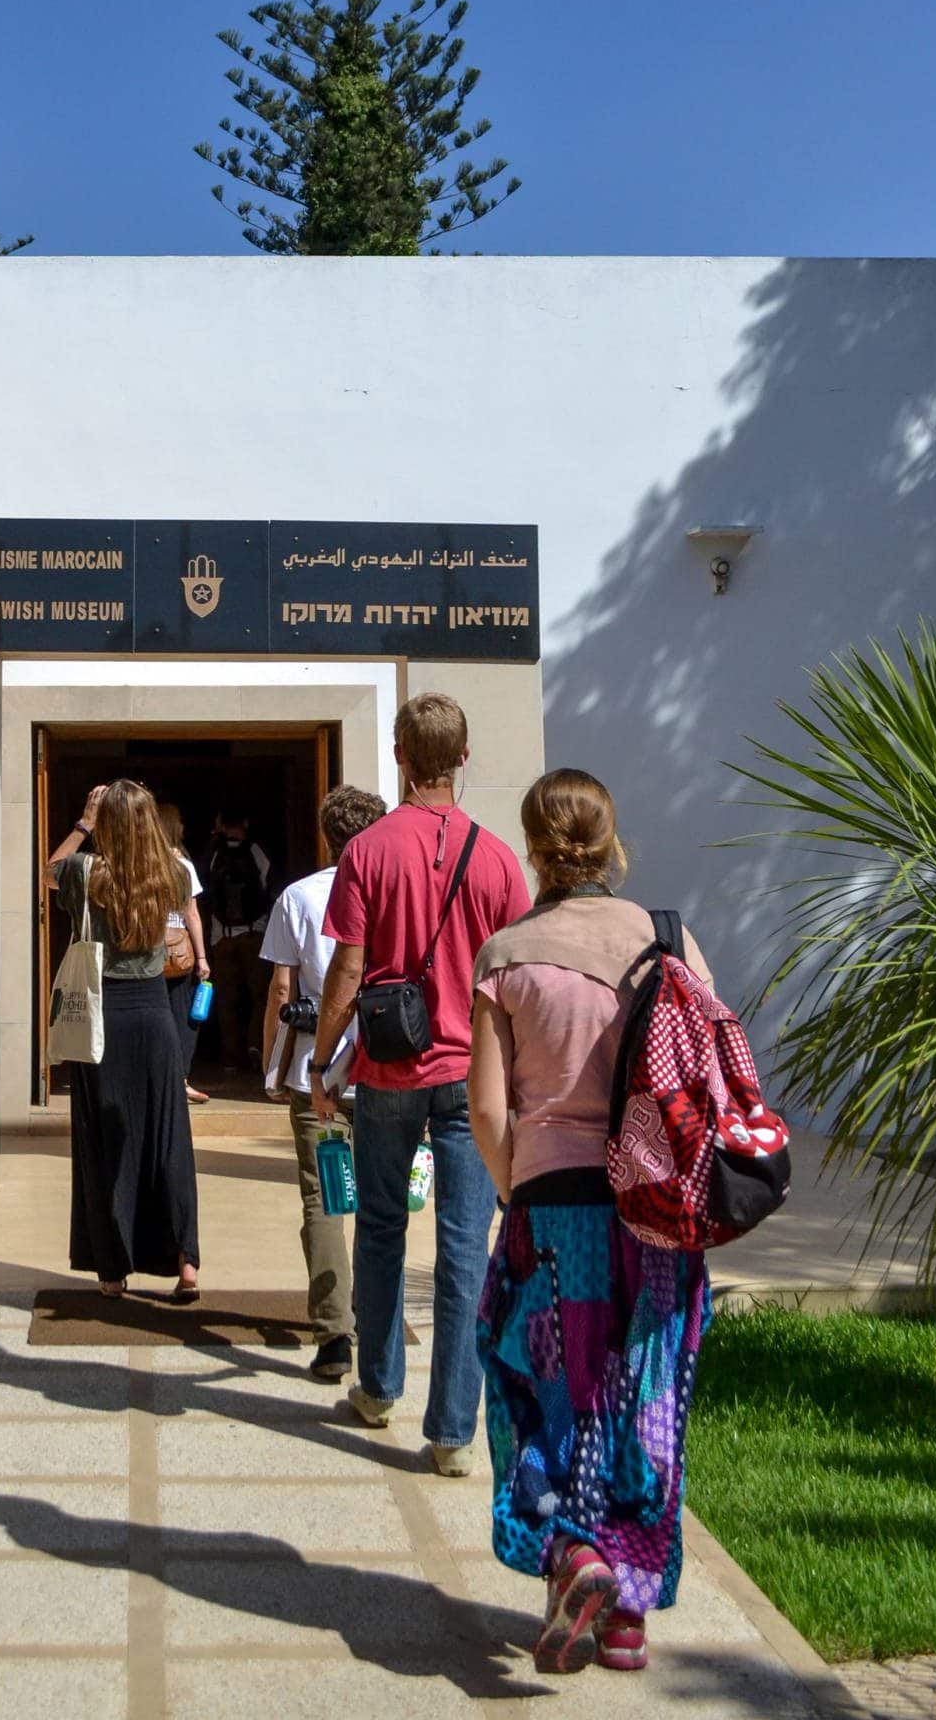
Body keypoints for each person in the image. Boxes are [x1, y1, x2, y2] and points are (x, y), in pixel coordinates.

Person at [469, 769, 714, 1676]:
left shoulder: (505, 955)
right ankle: (626, 1620)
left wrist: (513, 1189)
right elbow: (703, 1085)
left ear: (532, 847)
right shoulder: (670, 941)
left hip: (551, 1210)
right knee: (642, 1398)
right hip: (653, 1216)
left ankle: (570, 1553)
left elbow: (489, 1114)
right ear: (612, 843)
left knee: (540, 1386)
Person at [310, 692, 527, 1471]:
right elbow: (514, 977)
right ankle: (451, 1435)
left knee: (377, 1225)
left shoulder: (367, 851)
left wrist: (319, 1060)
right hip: (474, 1074)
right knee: (467, 1247)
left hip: (389, 1066)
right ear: (462, 759)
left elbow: (347, 966)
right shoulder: (499, 860)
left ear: (398, 755)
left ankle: (375, 1388)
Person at [47, 780, 201, 1299]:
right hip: (156, 1014)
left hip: (103, 1012)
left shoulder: (88, 873)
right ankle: (186, 1263)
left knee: (105, 1139)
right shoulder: (174, 874)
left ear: (108, 821)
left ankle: (113, 1269)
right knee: (168, 1138)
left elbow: (47, 872)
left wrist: (84, 823)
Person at [260, 782, 387, 1382]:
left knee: (325, 1198)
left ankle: (334, 1334)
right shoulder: (397, 889)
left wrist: (271, 1065)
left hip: (319, 1069)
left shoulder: (299, 896)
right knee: (382, 1201)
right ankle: (374, 1317)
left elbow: (283, 990)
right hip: (387, 1064)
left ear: (327, 836)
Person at [203, 811, 272, 1070]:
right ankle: (256, 1045)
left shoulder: (214, 854)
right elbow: (266, 887)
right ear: (245, 823)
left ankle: (230, 1057)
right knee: (260, 996)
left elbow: (205, 892)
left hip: (222, 937)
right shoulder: (256, 851)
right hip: (254, 934)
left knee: (226, 1000)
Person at [156, 802, 212, 1106]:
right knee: (183, 1017)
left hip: (142, 950)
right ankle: (180, 1079)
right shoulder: (181, 866)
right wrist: (202, 959)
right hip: (177, 953)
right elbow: (192, 914)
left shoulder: (140, 863)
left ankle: (154, 1079)